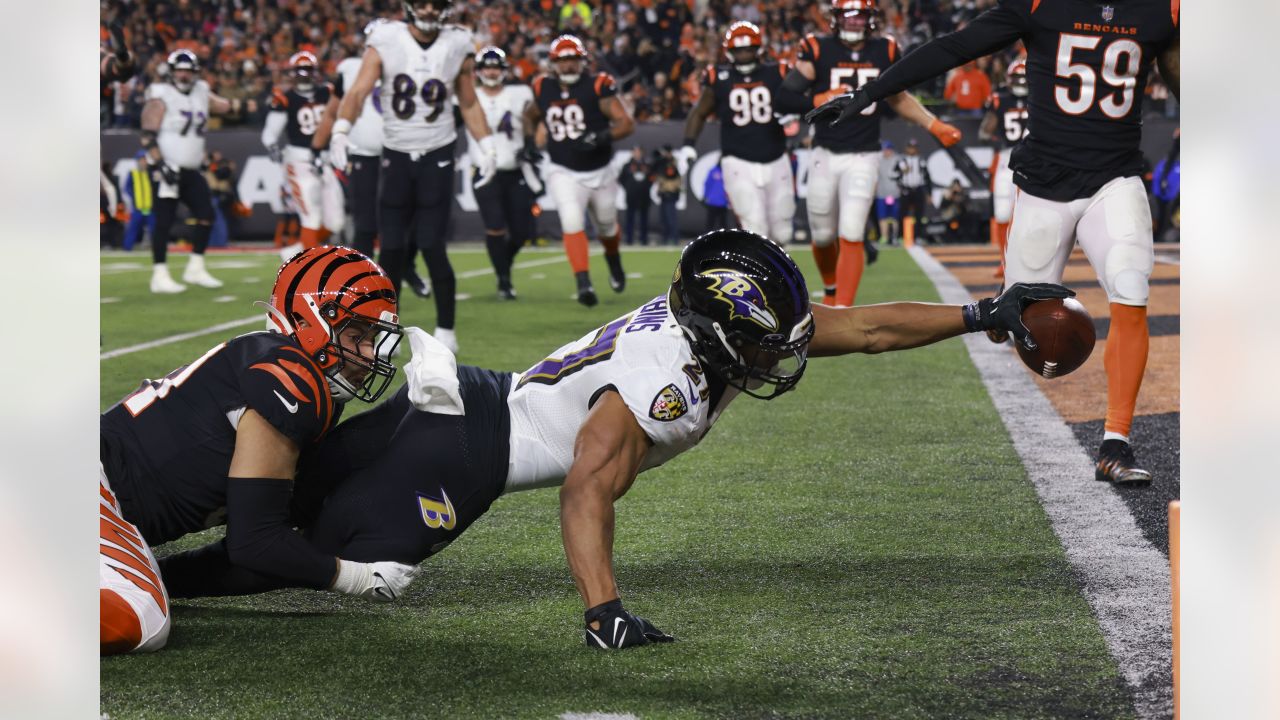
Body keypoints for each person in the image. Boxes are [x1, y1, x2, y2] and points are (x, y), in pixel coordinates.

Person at [160, 229, 1073, 650]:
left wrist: (980, 312)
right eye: (758, 341)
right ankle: (145, 577)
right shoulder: (666, 380)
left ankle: (134, 549)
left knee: (288, 502)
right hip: (468, 450)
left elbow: (863, 328)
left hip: (473, 407)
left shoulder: (708, 327)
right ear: (719, 330)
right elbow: (586, 486)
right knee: (293, 545)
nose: (777, 353)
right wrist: (603, 611)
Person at [806, 0, 1180, 484]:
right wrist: (873, 90)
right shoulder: (1041, 5)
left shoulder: (1162, 11)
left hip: (1115, 178)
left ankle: (1116, 442)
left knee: (1131, 286)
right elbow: (954, 47)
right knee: (1013, 323)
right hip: (1043, 184)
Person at [100, 246, 416, 655]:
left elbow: (253, 546)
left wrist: (161, 575)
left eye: (373, 338)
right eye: (356, 336)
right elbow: (256, 542)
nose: (368, 354)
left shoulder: (293, 374)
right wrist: (353, 577)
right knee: (138, 617)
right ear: (307, 322)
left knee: (140, 592)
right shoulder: (291, 378)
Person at [328, 0, 500, 354]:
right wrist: (341, 130)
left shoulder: (457, 43)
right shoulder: (386, 38)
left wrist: (488, 145)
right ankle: (387, 330)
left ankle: (447, 329)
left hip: (437, 152)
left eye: (435, 3)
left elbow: (467, 102)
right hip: (396, 154)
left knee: (431, 245)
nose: (427, 9)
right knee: (389, 247)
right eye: (421, 2)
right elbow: (359, 90)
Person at [775, 0, 962, 307]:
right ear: (835, 18)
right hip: (825, 150)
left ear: (871, 19)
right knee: (822, 233)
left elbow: (898, 98)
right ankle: (832, 288)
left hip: (865, 153)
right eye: (847, 15)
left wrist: (933, 123)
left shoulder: (885, 49)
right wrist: (815, 99)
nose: (853, 22)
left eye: (860, 15)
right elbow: (785, 96)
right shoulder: (817, 47)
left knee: (852, 228)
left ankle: (843, 308)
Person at [522, 34, 634, 307]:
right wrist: (528, 142)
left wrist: (600, 137)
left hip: (600, 169)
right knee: (571, 219)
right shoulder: (542, 86)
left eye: (573, 60)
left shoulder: (597, 85)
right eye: (563, 61)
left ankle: (613, 261)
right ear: (553, 63)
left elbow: (625, 123)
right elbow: (529, 115)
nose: (568, 66)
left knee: (607, 225)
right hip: (563, 169)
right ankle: (583, 282)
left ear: (583, 61)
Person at [324, 19, 433, 301]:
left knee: (409, 222)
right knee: (365, 225)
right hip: (364, 153)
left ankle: (405, 266)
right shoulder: (349, 68)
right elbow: (334, 109)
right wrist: (325, 142)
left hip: (401, 152)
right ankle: (362, 285)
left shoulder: (408, 62)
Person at [140, 49, 256, 293]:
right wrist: (160, 164)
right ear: (172, 72)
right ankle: (159, 274)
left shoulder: (201, 91)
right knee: (164, 221)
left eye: (187, 70)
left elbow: (221, 105)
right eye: (179, 70)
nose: (183, 75)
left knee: (206, 214)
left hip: (191, 168)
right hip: (167, 168)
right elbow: (147, 135)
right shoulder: (161, 95)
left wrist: (248, 104)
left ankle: (195, 267)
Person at [676, 22, 794, 244]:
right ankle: (764, 278)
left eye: (748, 49)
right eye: (738, 50)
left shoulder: (777, 72)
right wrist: (688, 144)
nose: (743, 55)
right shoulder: (719, 77)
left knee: (783, 232)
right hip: (738, 160)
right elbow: (699, 112)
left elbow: (801, 101)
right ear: (729, 51)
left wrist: (792, 112)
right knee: (755, 228)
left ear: (758, 49)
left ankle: (778, 273)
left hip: (776, 156)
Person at [467, 46, 537, 300]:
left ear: (504, 70)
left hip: (515, 170)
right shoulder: (468, 96)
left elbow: (536, 120)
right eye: (487, 67)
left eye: (496, 67)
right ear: (478, 71)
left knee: (522, 232)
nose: (492, 71)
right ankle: (504, 281)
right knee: (495, 226)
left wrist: (533, 143)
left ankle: (502, 265)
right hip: (485, 171)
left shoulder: (521, 94)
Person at [262, 51, 346, 261]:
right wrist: (273, 147)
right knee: (311, 217)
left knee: (336, 222)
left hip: (325, 160)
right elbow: (270, 133)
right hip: (299, 161)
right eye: (299, 71)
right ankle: (313, 267)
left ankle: (296, 251)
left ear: (314, 72)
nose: (303, 75)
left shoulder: (327, 92)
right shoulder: (285, 98)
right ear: (292, 73)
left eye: (307, 70)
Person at [979, 56, 1029, 278]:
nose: (1020, 82)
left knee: (1032, 213)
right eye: (1016, 77)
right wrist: (996, 136)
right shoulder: (999, 99)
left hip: (1034, 157)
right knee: (1001, 213)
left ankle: (1028, 261)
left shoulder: (1041, 97)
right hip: (1007, 157)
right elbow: (984, 131)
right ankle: (1005, 261)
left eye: (1023, 77)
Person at [893, 139, 931, 242]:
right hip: (906, 190)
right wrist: (902, 172)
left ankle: (917, 236)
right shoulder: (901, 161)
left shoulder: (921, 161)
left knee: (919, 215)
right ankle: (900, 236)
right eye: (910, 147)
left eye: (914, 148)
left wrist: (929, 193)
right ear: (906, 148)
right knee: (902, 214)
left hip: (918, 189)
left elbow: (927, 177)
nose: (912, 150)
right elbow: (892, 175)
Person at [618, 146, 653, 246]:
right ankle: (629, 239)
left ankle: (644, 239)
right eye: (635, 152)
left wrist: (646, 187)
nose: (637, 154)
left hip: (644, 196)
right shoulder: (627, 165)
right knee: (630, 218)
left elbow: (652, 178)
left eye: (638, 152)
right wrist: (629, 188)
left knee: (644, 219)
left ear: (642, 153)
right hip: (631, 196)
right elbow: (621, 179)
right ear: (632, 153)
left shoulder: (647, 165)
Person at [874, 141, 900, 246]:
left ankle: (894, 236)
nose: (885, 152)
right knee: (882, 217)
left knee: (894, 216)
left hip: (894, 193)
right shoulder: (878, 161)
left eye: (887, 149)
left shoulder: (897, 160)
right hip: (881, 194)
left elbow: (905, 172)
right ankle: (884, 236)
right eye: (884, 149)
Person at [702, 163, 730, 232]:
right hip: (714, 202)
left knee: (721, 224)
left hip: (722, 202)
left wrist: (705, 196)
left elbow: (707, 184)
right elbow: (707, 184)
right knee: (712, 224)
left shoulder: (727, 172)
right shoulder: (714, 171)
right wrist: (705, 196)